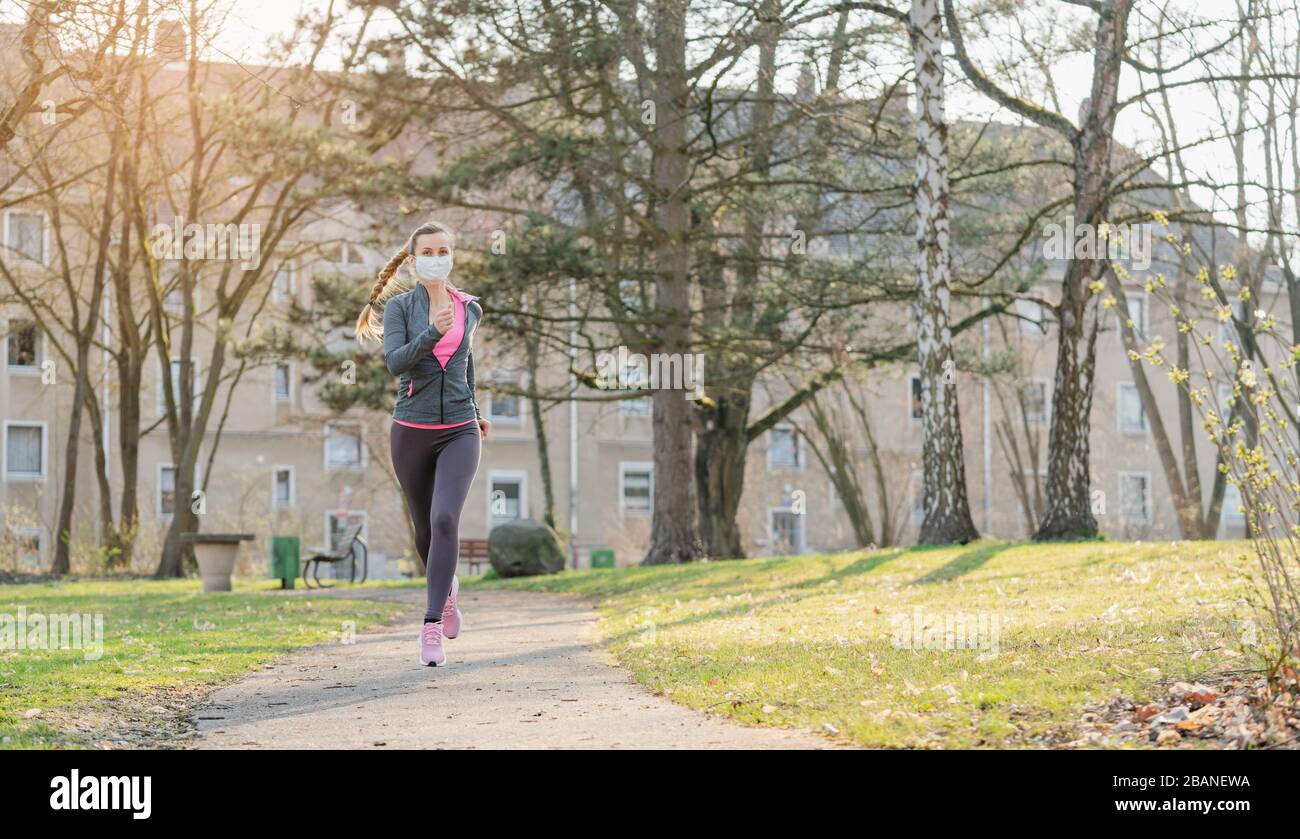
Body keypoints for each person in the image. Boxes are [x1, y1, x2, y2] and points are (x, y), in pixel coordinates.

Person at [355, 221, 490, 667]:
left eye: (443, 250)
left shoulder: (469, 308)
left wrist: (474, 408)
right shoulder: (399, 309)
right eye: (428, 251)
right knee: (425, 532)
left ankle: (431, 625)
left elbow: (465, 365)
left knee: (446, 517)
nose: (437, 257)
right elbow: (395, 363)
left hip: (461, 429)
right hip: (411, 431)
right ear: (414, 261)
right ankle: (446, 587)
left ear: (452, 255)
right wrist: (431, 331)